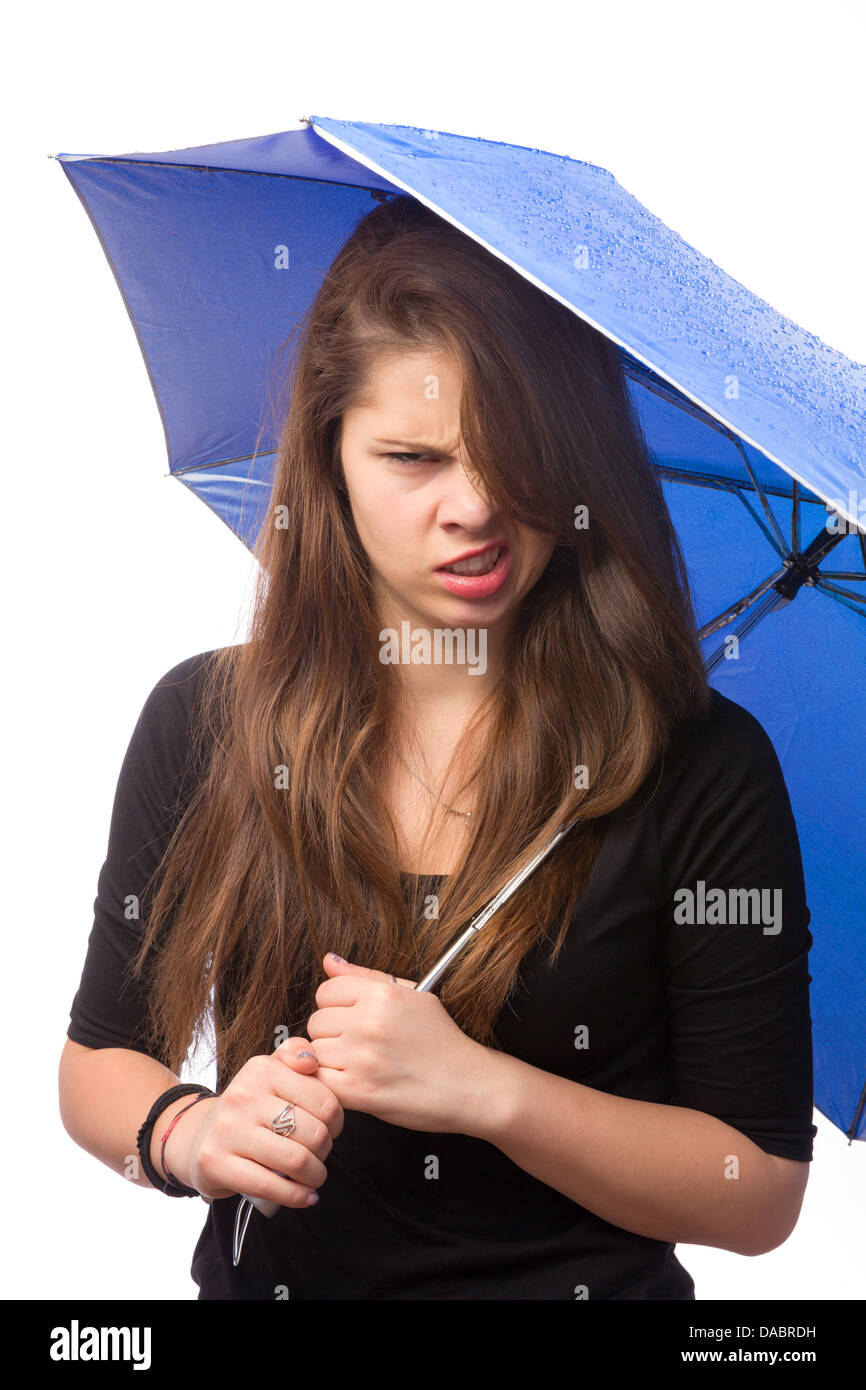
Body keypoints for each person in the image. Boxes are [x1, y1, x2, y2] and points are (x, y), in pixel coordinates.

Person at [59, 194, 815, 1300]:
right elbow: (97, 1061)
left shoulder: (698, 762)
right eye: (413, 457)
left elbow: (754, 1190)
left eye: (519, 456)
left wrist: (481, 1088)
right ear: (329, 456)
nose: (475, 507)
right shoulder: (205, 723)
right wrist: (189, 1131)